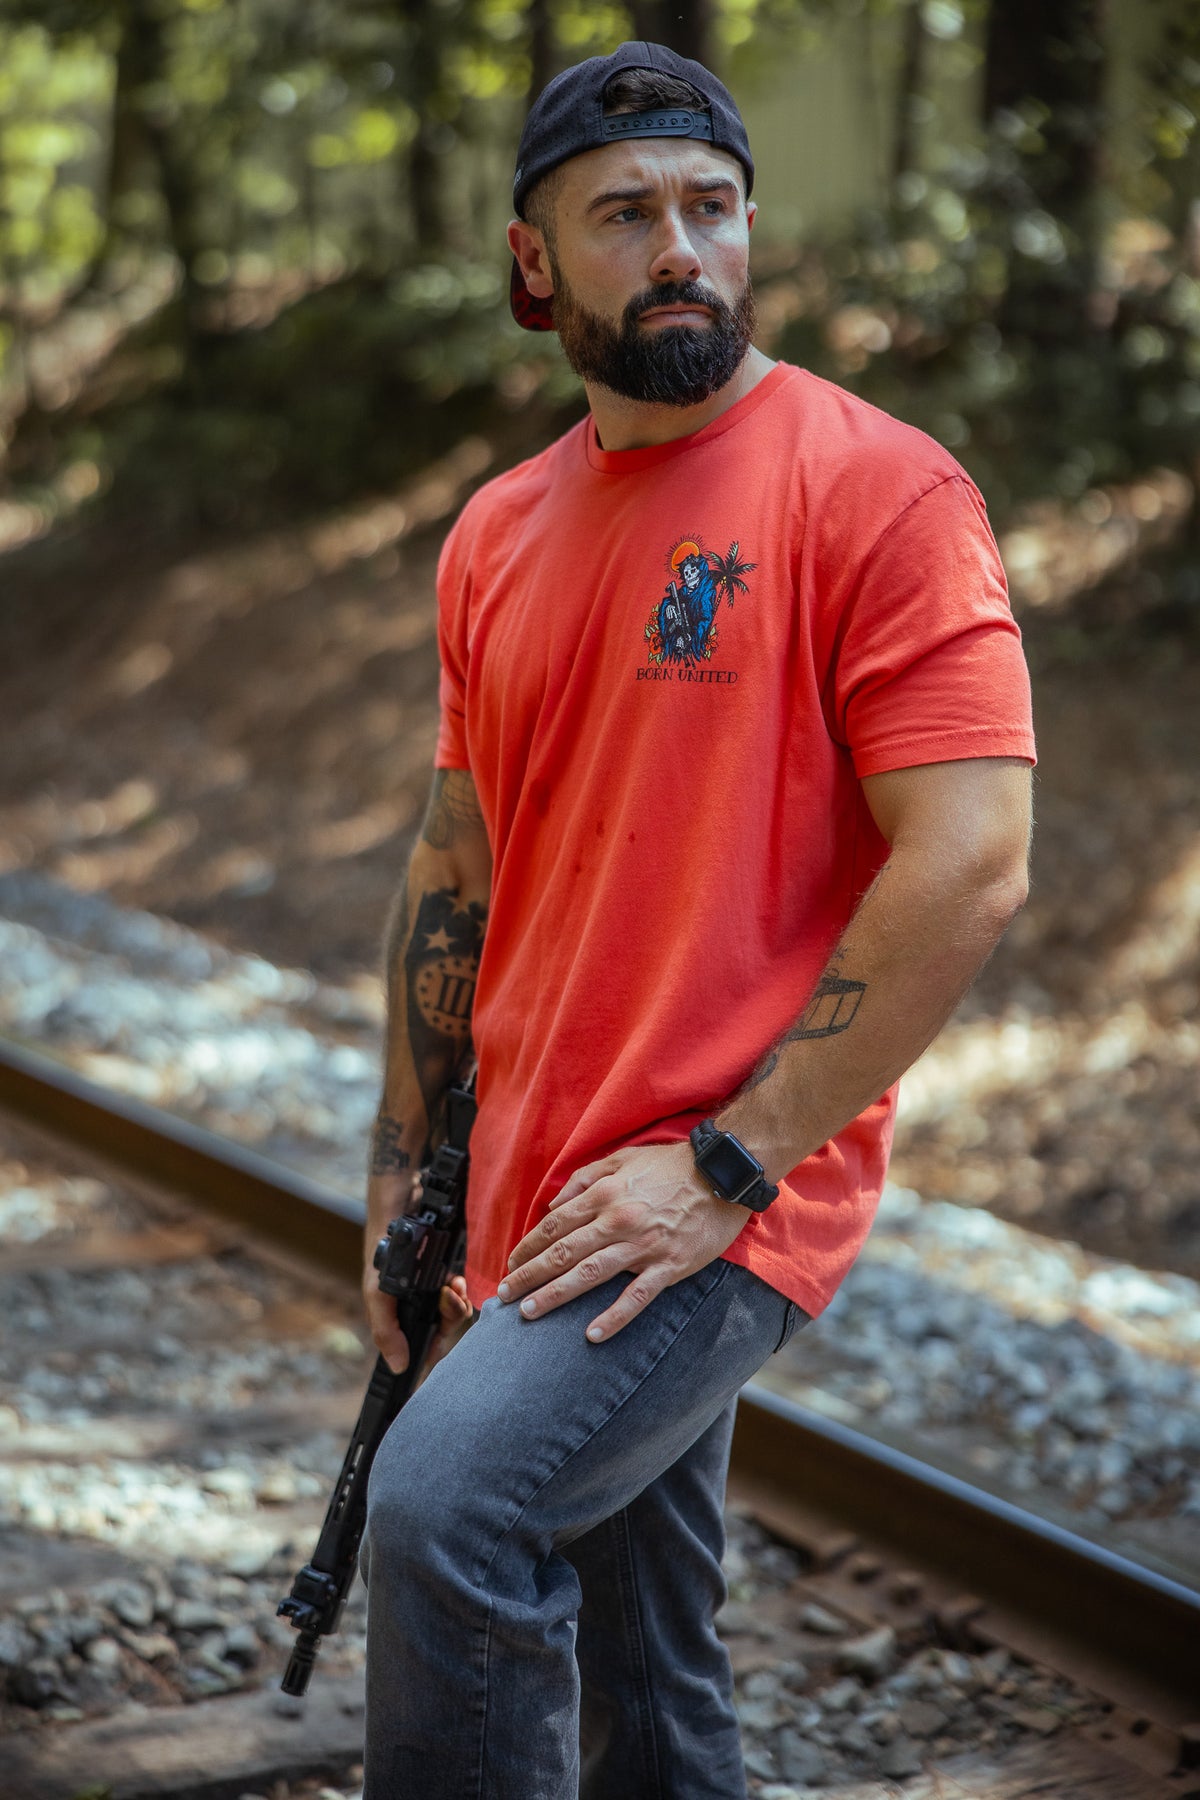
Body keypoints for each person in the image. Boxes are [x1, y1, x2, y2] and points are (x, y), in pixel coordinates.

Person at [360, 39, 1035, 1800]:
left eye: (711, 208)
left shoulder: (881, 489)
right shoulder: (499, 533)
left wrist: (728, 1166)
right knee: (654, 1678)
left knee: (445, 1515)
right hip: (541, 1188)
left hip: (717, 1189)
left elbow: (969, 861)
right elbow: (457, 869)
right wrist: (400, 1171)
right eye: (624, 213)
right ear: (534, 266)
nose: (681, 247)